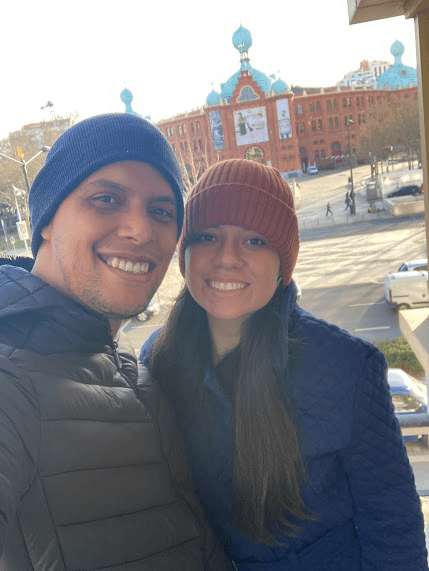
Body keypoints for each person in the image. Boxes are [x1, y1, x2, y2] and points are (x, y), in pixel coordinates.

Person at [141, 159, 428, 570]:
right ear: (184, 254)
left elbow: (393, 528)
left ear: (284, 265)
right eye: (207, 236)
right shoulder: (157, 360)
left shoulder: (348, 367)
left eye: (254, 241)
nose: (227, 258)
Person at [0, 114, 231, 570]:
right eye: (106, 199)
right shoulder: (12, 378)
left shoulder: (129, 364)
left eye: (162, 211)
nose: (141, 231)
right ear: (45, 221)